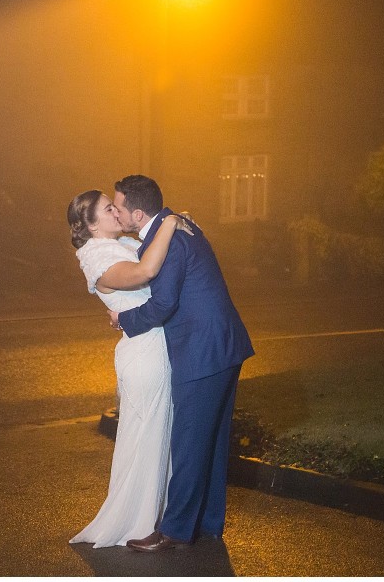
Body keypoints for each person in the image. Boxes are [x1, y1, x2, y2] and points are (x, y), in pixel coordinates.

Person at [109, 174, 255, 552]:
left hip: (203, 351)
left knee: (189, 441)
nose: (116, 212)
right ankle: (206, 523)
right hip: (224, 345)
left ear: (138, 214)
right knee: (212, 439)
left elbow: (163, 304)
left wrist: (123, 320)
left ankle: (174, 531)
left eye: (119, 207)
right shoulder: (175, 226)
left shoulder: (169, 239)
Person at [66, 189, 192, 549]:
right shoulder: (96, 256)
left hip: (155, 342)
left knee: (159, 432)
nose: (117, 211)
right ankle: (139, 525)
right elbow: (146, 270)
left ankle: (161, 516)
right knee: (146, 435)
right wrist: (170, 220)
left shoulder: (120, 241)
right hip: (145, 351)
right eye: (109, 208)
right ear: (90, 224)